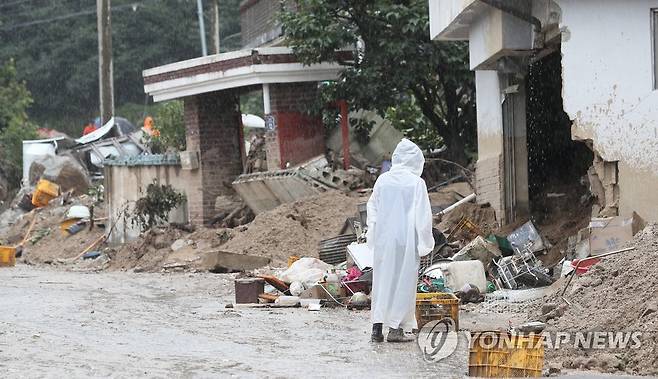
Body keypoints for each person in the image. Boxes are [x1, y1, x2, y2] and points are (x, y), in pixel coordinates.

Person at [366, 138, 435, 342]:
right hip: (406, 241)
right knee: (403, 282)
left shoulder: (382, 180)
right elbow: (423, 216)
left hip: (384, 240)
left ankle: (377, 328)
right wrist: (425, 243)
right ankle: (395, 329)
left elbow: (372, 209)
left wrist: (373, 234)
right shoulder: (416, 183)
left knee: (382, 282)